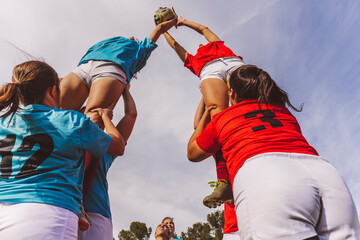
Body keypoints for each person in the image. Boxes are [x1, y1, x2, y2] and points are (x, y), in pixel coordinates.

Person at [187, 64, 360, 239]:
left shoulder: (224, 118)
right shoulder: (284, 112)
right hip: (325, 174)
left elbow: (192, 153)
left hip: (266, 175)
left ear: (231, 93)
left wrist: (204, 117)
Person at [0, 60, 125, 240]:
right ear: (53, 91)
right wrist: (105, 118)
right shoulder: (71, 120)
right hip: (46, 213)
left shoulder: (4, 122)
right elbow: (118, 146)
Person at [163, 16, 245, 207]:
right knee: (219, 122)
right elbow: (176, 46)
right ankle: (225, 181)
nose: (200, 45)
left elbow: (203, 28)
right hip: (210, 71)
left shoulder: (217, 45)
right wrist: (163, 30)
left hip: (233, 63)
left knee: (255, 107)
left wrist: (181, 22)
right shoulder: (194, 60)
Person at [60, 10, 178, 113]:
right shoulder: (116, 42)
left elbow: (160, 29)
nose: (133, 37)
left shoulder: (141, 48)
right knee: (61, 114)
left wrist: (175, 20)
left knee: (74, 116)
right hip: (96, 69)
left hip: (100, 69)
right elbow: (160, 28)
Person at [78, 85, 137, 240]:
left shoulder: (105, 149)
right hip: (68, 209)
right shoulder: (68, 140)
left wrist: (124, 90)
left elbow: (131, 115)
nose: (100, 114)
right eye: (94, 111)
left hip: (97, 216)